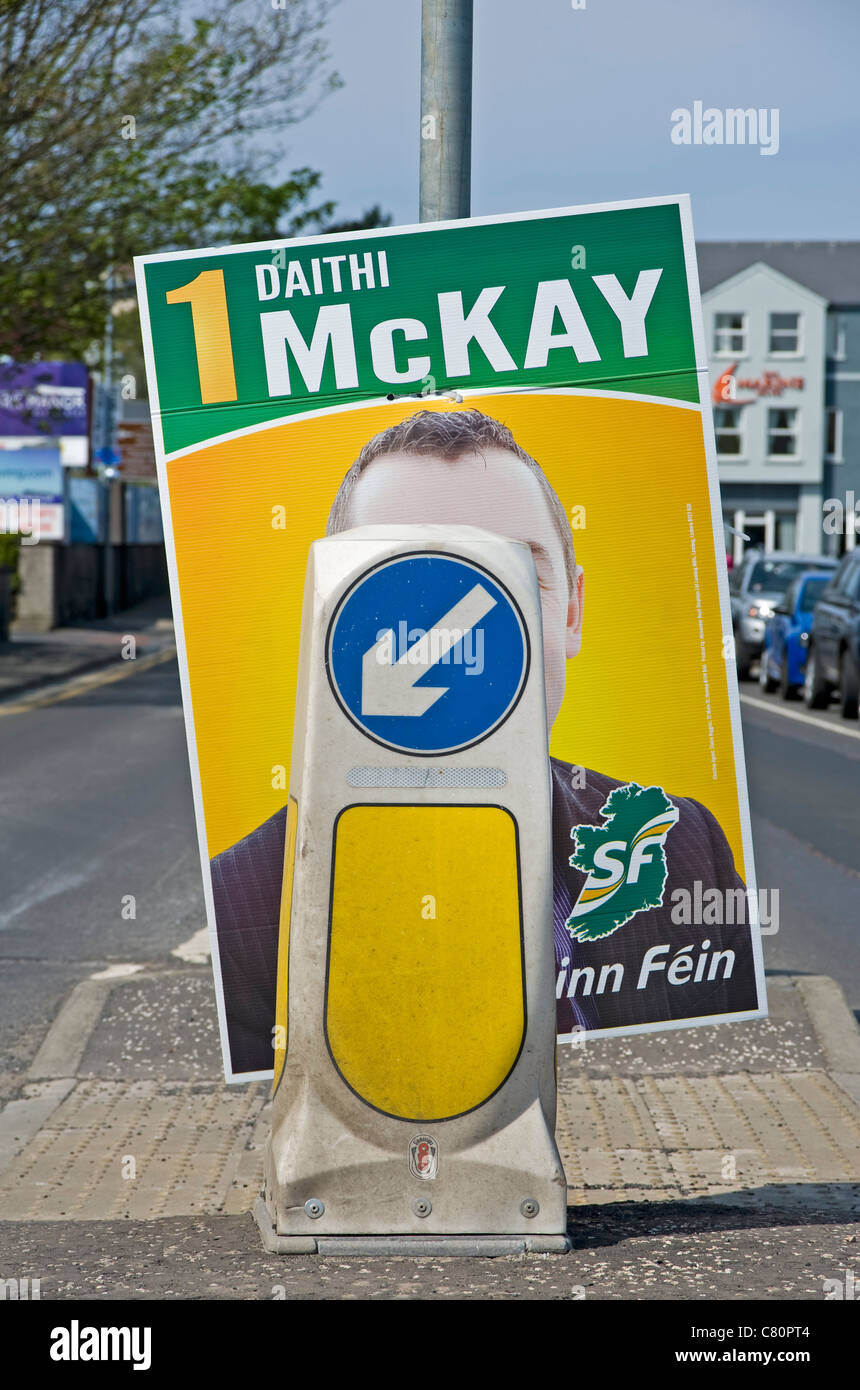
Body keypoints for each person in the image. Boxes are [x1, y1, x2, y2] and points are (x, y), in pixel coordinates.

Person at [211, 409, 758, 1074]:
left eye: (515, 573)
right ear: (335, 619)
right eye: (407, 576)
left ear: (572, 611)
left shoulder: (683, 849)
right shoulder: (239, 912)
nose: (468, 631)